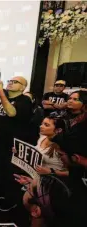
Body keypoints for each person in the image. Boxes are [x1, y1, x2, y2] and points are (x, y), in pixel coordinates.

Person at [0, 76, 33, 211]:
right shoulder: (6, 98)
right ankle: (0, 193)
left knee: (10, 173)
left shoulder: (25, 100)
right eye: (10, 81)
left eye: (15, 82)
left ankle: (11, 200)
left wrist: (1, 92)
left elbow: (12, 113)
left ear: (22, 87)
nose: (10, 83)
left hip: (11, 144)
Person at [51, 90, 87, 227]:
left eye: (75, 99)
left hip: (80, 166)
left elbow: (75, 142)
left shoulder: (84, 123)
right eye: (70, 98)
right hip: (69, 164)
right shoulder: (65, 117)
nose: (70, 101)